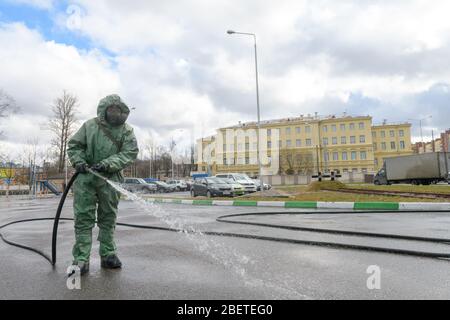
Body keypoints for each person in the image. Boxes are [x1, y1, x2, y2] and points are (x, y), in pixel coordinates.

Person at [67, 94, 139, 275]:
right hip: (86, 178)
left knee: (108, 218)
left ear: (123, 111)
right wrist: (79, 161)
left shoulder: (126, 131)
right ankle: (81, 258)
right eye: (111, 110)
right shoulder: (90, 126)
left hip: (111, 179)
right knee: (83, 218)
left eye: (118, 110)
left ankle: (108, 254)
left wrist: (108, 164)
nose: (115, 114)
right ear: (105, 110)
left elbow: (129, 152)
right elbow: (75, 146)